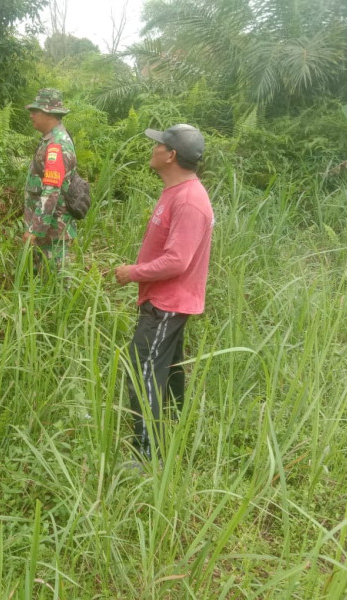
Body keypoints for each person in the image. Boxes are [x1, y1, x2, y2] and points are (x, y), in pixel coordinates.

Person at [115, 124, 214, 465]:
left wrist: (133, 273)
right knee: (167, 371)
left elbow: (177, 260)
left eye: (159, 145)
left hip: (167, 303)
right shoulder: (175, 190)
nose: (153, 149)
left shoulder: (189, 200)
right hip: (163, 300)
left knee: (141, 368)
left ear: (171, 155)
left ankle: (146, 457)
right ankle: (173, 437)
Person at [23, 88, 78, 275]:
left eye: (35, 111)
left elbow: (51, 190)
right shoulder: (50, 140)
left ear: (49, 114)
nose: (31, 115)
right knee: (43, 280)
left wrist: (35, 229)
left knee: (56, 284)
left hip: (52, 230)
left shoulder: (57, 144)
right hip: (47, 229)